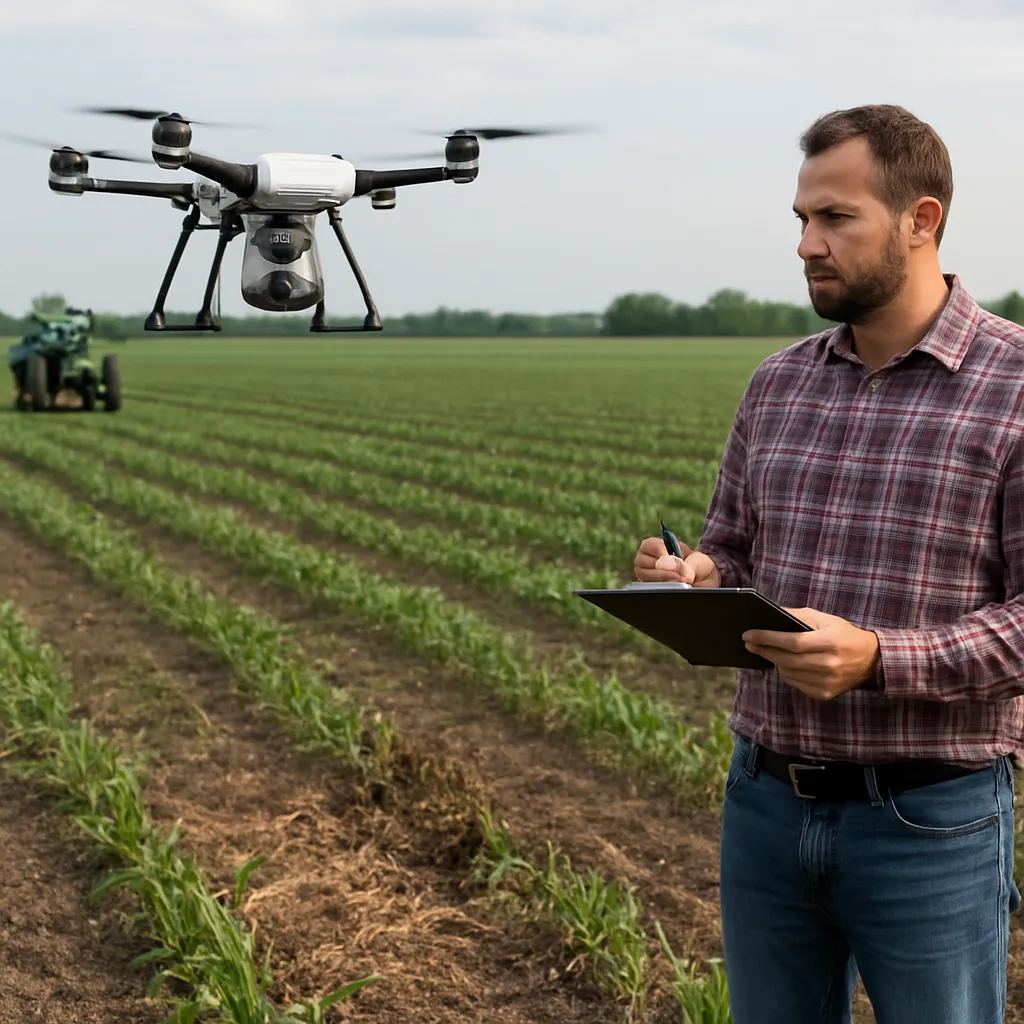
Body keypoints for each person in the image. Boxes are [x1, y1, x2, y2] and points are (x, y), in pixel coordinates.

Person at [633, 104, 1024, 1024]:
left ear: (921, 220)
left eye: (836, 218)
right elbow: (730, 546)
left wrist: (879, 659)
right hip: (763, 801)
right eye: (801, 220)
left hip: (930, 821)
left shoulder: (1014, 387)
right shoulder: (778, 381)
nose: (808, 243)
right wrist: (694, 575)